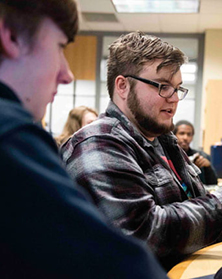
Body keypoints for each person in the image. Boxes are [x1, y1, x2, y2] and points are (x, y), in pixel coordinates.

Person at [61, 31, 222, 270]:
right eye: (163, 86)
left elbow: (195, 208)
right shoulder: (97, 144)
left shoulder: (165, 141)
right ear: (123, 86)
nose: (175, 98)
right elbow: (145, 235)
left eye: (177, 88)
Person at [0, 1, 168, 278]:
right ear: (12, 37)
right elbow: (113, 261)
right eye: (60, 46)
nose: (67, 75)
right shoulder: (12, 136)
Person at [174, 120, 218, 185]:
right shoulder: (167, 156)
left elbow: (213, 184)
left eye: (189, 134)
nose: (185, 138)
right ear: (174, 135)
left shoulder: (202, 156)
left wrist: (208, 167)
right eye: (181, 133)